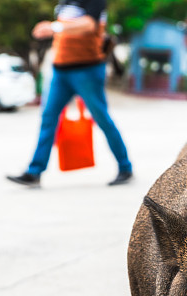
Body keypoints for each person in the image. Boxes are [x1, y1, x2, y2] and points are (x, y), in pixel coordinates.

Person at [8, 0, 133, 188]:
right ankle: (34, 171)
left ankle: (125, 167)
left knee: (102, 118)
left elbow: (89, 24)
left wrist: (53, 27)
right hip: (61, 71)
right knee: (48, 118)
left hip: (87, 70)